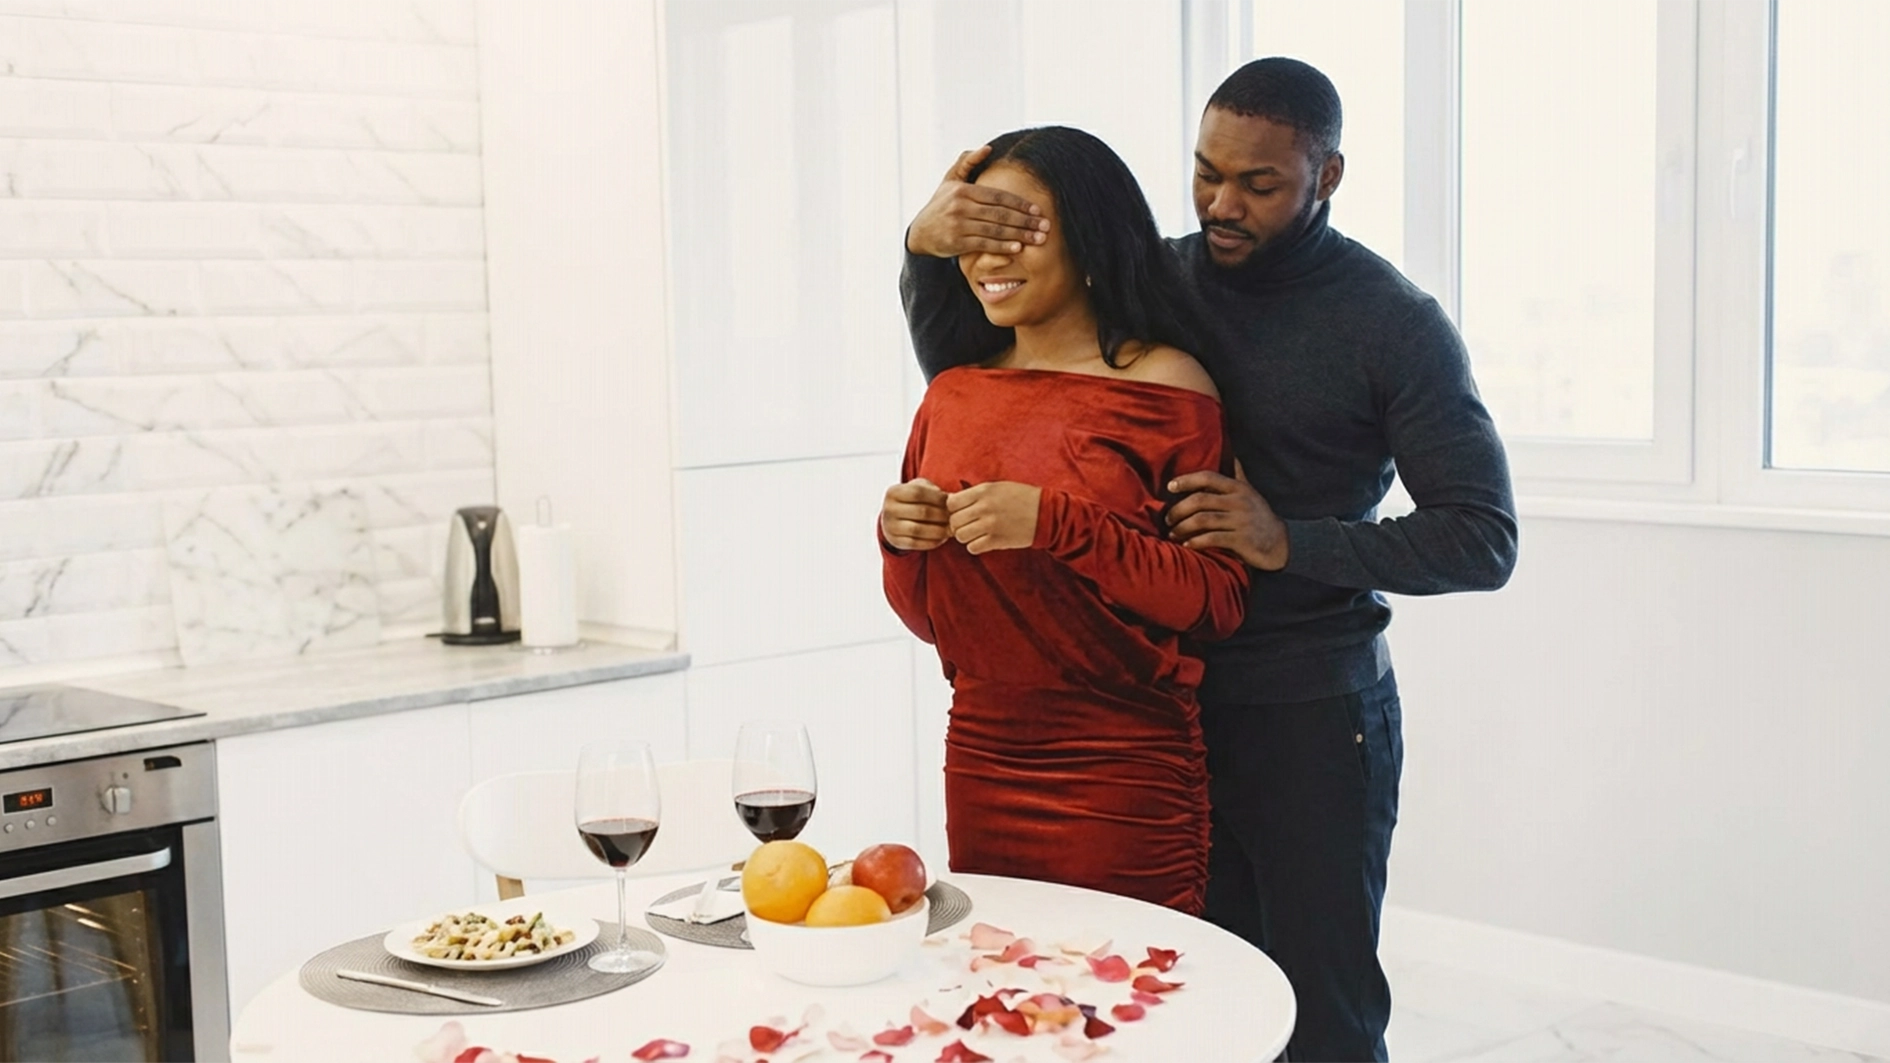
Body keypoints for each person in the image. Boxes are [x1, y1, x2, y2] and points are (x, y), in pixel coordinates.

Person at [899, 59, 1519, 1062]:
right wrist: (926, 247)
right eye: (1204, 173)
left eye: (1259, 185)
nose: (1222, 204)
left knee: (1318, 1006)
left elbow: (1482, 537)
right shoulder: (1161, 278)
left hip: (1307, 717)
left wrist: (1287, 540)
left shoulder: (1390, 321)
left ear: (1328, 176)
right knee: (1184, 1001)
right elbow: (989, 378)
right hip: (1153, 718)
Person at [878, 125, 1250, 917]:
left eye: (1018, 230)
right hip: (981, 756)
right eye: (976, 233)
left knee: (1138, 1015)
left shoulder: (1169, 387)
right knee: (1008, 1006)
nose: (989, 257)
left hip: (1122, 767)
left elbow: (1216, 602)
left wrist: (1057, 524)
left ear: (1090, 236)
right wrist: (901, 543)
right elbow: (929, 620)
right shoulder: (953, 391)